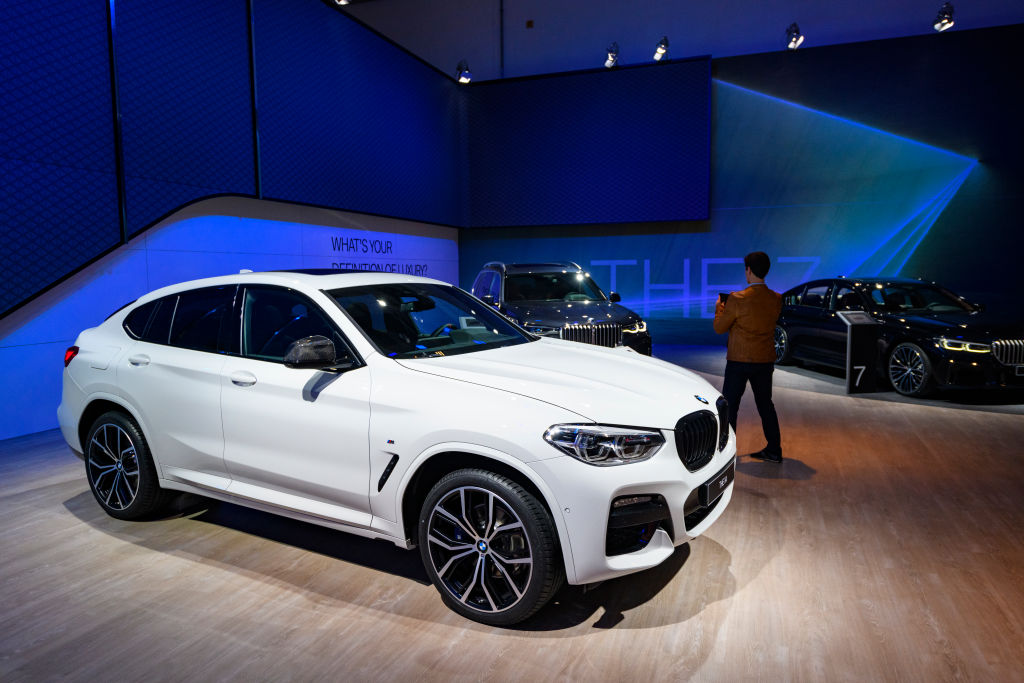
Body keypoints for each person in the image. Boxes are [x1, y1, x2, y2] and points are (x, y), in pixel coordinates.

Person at [713, 251, 784, 463]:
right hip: (764, 360)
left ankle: (727, 456)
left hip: (739, 361)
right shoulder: (776, 299)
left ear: (749, 270)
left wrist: (719, 309)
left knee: (731, 407)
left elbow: (719, 328)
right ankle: (774, 450)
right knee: (765, 405)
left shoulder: (736, 299)